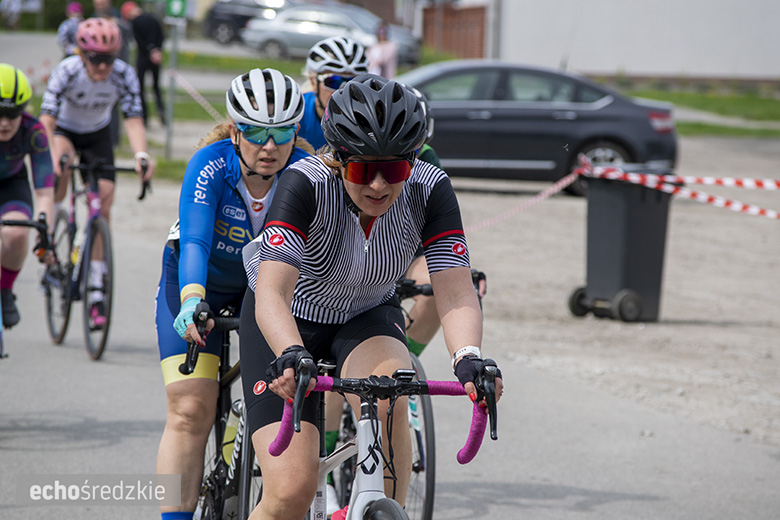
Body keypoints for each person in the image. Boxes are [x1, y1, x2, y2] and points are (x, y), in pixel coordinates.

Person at [239, 73, 503, 520]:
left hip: (366, 312)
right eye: (364, 169)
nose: (379, 185)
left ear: (413, 161)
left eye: (394, 169)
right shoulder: (305, 183)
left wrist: (469, 357)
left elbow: (454, 288)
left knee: (393, 392)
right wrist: (289, 351)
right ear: (340, 160)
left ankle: (382, 510)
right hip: (289, 318)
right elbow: (272, 291)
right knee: (291, 491)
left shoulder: (429, 188)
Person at [154, 68, 312, 520]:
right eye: (256, 131)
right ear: (234, 130)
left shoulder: (305, 174)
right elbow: (197, 243)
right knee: (188, 408)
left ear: (295, 131)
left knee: (270, 391)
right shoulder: (210, 165)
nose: (269, 145)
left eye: (281, 131)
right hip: (196, 282)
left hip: (261, 290)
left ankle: (239, 458)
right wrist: (191, 300)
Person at [40, 17, 154, 325]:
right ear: (81, 54)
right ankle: (50, 235)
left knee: (103, 203)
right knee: (60, 167)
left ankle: (97, 291)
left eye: (108, 59)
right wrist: (50, 155)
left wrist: (141, 154)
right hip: (64, 129)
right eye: (95, 59)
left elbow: (133, 118)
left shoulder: (123, 75)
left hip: (97, 134)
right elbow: (47, 119)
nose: (102, 67)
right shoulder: (67, 71)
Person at [0, 64, 54, 328]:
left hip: (12, 184)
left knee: (17, 232)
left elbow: (45, 191)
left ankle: (5, 290)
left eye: (12, 115)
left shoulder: (34, 131)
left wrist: (45, 232)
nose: (4, 123)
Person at [297, 36, 369, 152]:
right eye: (333, 81)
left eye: (353, 83)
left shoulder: (369, 120)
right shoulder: (298, 114)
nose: (343, 90)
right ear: (313, 82)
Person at [120, 1, 166, 127]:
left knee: (140, 88)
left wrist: (149, 50)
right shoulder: (153, 18)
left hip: (143, 57)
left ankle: (145, 117)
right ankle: (161, 111)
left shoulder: (134, 23)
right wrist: (157, 50)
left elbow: (138, 40)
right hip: (156, 56)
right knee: (156, 86)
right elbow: (161, 36)